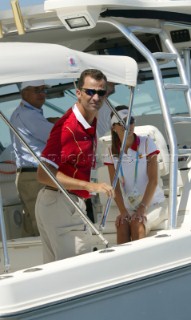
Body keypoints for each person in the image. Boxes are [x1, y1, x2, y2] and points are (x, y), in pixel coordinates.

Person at [35, 69, 115, 263]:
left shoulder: (90, 118)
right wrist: (90, 186)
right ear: (78, 93)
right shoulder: (67, 128)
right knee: (76, 268)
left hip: (61, 202)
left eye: (101, 92)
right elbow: (43, 174)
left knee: (58, 272)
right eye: (89, 92)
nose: (95, 97)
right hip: (61, 202)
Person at [104, 105, 167, 244]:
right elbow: (115, 187)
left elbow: (153, 181)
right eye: (122, 122)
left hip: (154, 204)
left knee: (136, 223)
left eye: (130, 120)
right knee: (121, 225)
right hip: (130, 207)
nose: (128, 125)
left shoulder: (146, 143)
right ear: (114, 127)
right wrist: (123, 211)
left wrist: (142, 208)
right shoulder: (110, 152)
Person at [10, 80, 59, 236]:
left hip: (33, 174)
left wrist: (50, 121)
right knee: (43, 223)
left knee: (36, 223)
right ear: (24, 93)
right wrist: (60, 123)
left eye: (43, 90)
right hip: (35, 175)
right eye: (37, 90)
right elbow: (56, 138)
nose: (42, 94)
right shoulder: (29, 115)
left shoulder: (26, 113)